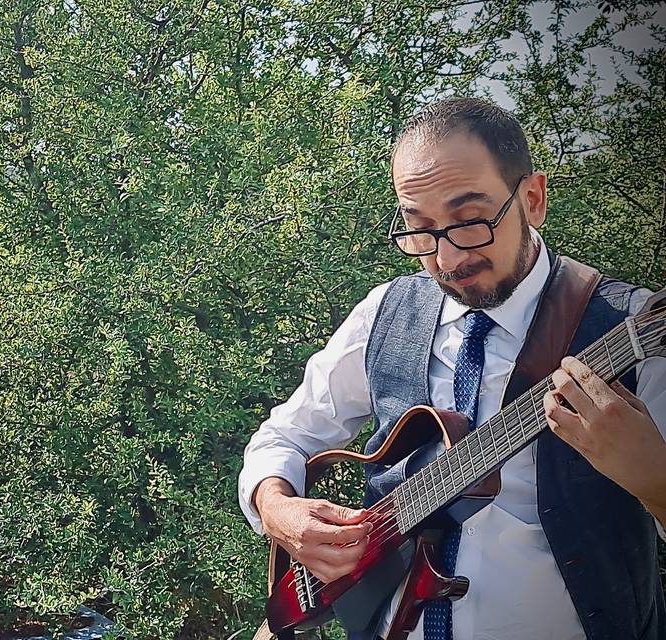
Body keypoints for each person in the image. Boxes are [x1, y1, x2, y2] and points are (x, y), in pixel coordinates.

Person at [239, 97, 666, 640]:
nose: (447, 260)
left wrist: (652, 474)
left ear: (532, 199)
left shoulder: (633, 331)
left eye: (470, 221)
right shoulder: (384, 314)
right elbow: (286, 435)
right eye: (420, 230)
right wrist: (278, 510)